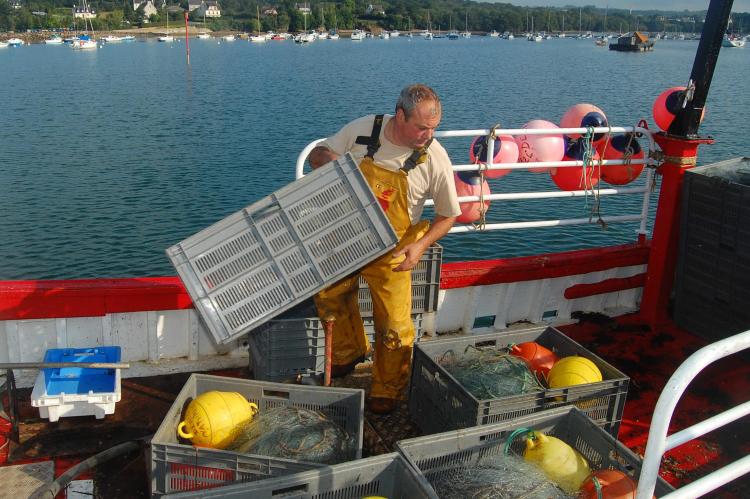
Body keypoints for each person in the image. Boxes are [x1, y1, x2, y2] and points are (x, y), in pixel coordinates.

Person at [308, 84, 461, 415]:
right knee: (329, 297)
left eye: (434, 128)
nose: (428, 135)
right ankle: (349, 355)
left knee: (395, 324)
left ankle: (388, 388)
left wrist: (419, 246)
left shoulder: (435, 157)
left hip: (395, 247)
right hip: (347, 234)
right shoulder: (365, 129)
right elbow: (315, 156)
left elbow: (449, 215)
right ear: (400, 115)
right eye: (422, 127)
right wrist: (329, 160)